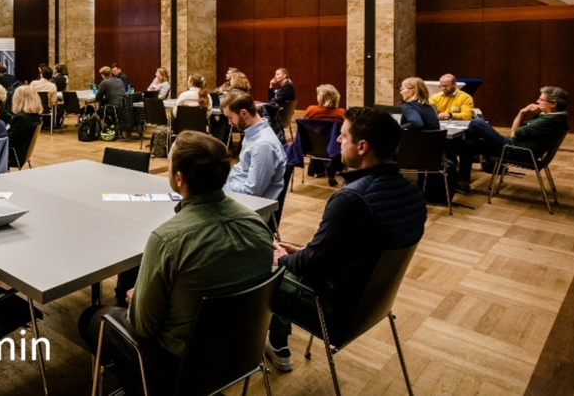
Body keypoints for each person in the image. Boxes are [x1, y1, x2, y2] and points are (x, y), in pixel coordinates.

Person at [78, 131, 274, 395]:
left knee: (91, 318)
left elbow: (142, 327)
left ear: (179, 179)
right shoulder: (257, 225)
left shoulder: (168, 239)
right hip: (240, 353)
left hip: (179, 365)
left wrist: (138, 300)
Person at [265, 107, 426, 372]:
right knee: (291, 256)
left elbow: (310, 265)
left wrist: (284, 259)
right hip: (375, 304)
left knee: (261, 266)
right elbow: (357, 251)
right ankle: (277, 342)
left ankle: (274, 344)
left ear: (362, 146)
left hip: (336, 311)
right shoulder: (412, 193)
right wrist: (299, 253)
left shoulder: (352, 199)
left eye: (343, 135)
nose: (338, 140)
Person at [454, 86, 569, 188]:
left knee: (476, 123)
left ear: (553, 104)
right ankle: (464, 179)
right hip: (518, 147)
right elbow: (514, 131)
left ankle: (478, 163)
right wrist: (522, 112)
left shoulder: (549, 121)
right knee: (468, 144)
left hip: (516, 150)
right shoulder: (552, 117)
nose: (537, 101)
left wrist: (515, 130)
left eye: (541, 99)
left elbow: (513, 133)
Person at [221, 91, 288, 199]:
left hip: (250, 203)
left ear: (244, 113)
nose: (229, 122)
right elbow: (242, 169)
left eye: (230, 117)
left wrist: (221, 187)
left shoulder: (262, 146)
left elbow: (252, 191)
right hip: (237, 191)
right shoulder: (252, 133)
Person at [7, 85, 42, 168]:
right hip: (22, 154)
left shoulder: (21, 119)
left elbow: (10, 141)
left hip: (12, 155)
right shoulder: (36, 117)